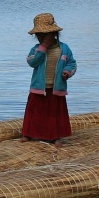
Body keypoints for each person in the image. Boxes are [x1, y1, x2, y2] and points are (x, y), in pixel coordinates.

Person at [21, 12, 77, 145]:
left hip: (56, 87)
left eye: (44, 35)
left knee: (54, 113)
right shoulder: (36, 49)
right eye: (39, 36)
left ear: (53, 34)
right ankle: (28, 134)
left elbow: (72, 63)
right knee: (34, 112)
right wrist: (43, 48)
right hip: (39, 87)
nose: (41, 38)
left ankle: (55, 136)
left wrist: (67, 72)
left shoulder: (63, 49)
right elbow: (32, 62)